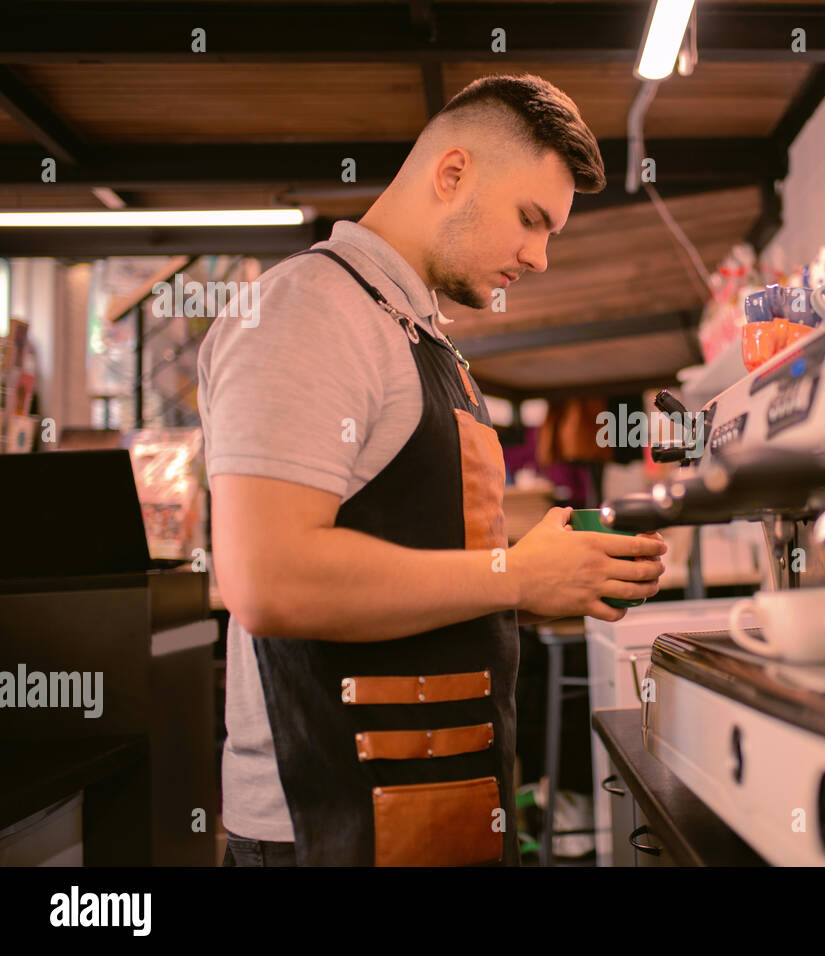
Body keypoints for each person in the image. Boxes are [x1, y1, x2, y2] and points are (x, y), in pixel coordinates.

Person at [199, 73, 667, 866]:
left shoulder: (414, 331)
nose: (541, 258)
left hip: (428, 811)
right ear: (452, 175)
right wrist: (516, 579)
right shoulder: (311, 310)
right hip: (331, 828)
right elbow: (268, 579)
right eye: (531, 220)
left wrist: (558, 563)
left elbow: (416, 527)